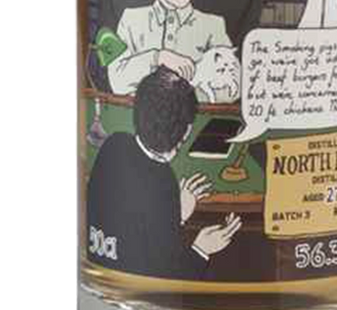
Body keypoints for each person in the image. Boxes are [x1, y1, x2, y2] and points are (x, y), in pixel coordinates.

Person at [87, 68, 242, 279]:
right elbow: (167, 274)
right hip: (139, 286)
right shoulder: (164, 181)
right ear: (184, 132)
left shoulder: (114, 143)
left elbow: (136, 231)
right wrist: (202, 248)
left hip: (105, 261)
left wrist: (176, 214)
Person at [107, 0, 231, 96]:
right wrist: (158, 58)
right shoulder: (131, 20)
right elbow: (116, 81)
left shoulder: (212, 26)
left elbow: (231, 88)